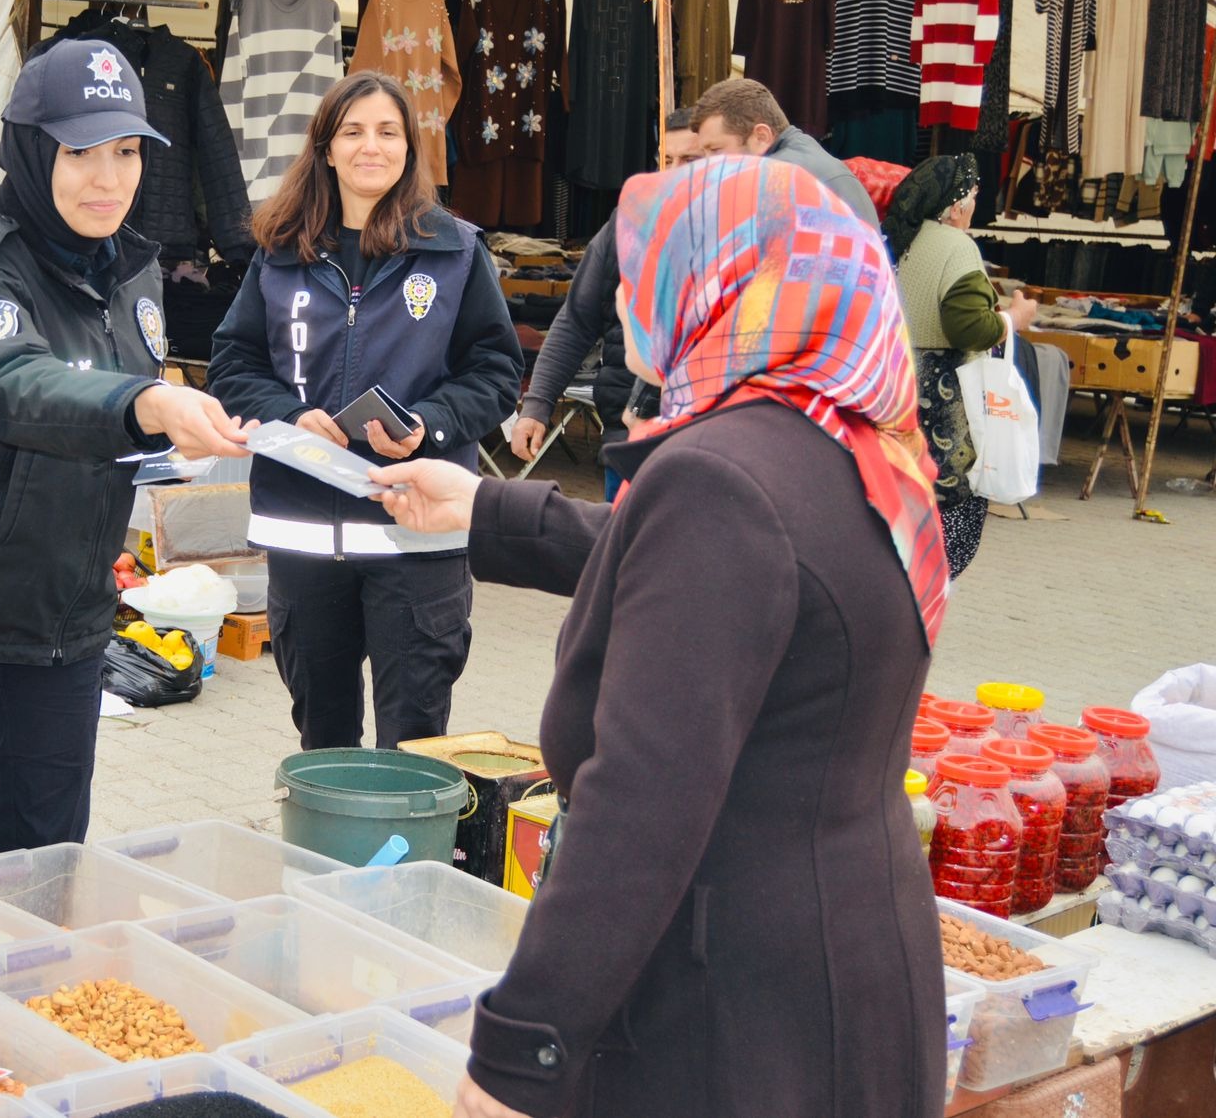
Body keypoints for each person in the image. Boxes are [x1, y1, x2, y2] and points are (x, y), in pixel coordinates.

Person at [374, 156, 950, 1118]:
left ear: (728, 279)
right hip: (853, 969)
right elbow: (723, 582)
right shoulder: (850, 437)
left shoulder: (719, 476)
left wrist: (523, 1053)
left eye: (653, 266)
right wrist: (486, 508)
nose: (630, 295)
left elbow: (642, 799)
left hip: (733, 1017)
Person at [0, 39, 252, 879]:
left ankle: (12, 1008)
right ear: (29, 148)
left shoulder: (134, 271)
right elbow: (16, 384)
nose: (109, 177)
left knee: (47, 864)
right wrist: (145, 406)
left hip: (65, 616)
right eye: (80, 152)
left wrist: (179, 442)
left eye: (127, 151)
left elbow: (112, 422)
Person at [206, 72, 522, 750]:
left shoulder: (456, 251)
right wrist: (287, 418)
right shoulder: (280, 249)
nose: (369, 147)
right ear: (325, 147)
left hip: (416, 536)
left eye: (387, 132)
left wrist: (428, 425)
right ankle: (327, 857)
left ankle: (407, 859)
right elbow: (234, 361)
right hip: (305, 540)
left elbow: (496, 373)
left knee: (412, 742)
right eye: (352, 132)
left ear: (410, 147)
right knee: (322, 741)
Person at [508, 109, 701, 498]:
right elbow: (577, 320)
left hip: (702, 446)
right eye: (667, 160)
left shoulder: (742, 240)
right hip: (625, 439)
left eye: (692, 161)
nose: (677, 172)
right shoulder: (627, 223)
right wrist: (538, 404)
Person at [884, 154, 1038, 577]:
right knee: (950, 518)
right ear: (956, 205)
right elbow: (969, 327)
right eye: (972, 196)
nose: (974, 206)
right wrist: (1013, 319)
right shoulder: (957, 247)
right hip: (944, 403)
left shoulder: (902, 240)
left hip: (899, 387)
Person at [690, 76, 880, 224]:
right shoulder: (805, 155)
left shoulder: (775, 178)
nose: (706, 165)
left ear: (761, 136)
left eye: (715, 149)